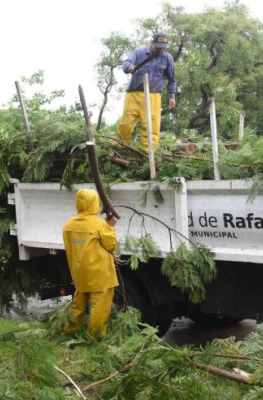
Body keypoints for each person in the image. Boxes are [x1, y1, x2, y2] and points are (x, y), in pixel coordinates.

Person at [62, 188, 118, 339]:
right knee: (99, 308)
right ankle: (94, 338)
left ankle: (71, 331)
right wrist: (111, 227)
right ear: (94, 203)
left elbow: (70, 247)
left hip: (80, 273)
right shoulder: (99, 225)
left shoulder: (68, 225)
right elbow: (111, 246)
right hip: (100, 275)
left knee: (78, 305)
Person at [117, 32, 177, 151]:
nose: (160, 49)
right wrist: (130, 67)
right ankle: (119, 150)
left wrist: (172, 96)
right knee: (126, 124)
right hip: (134, 94)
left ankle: (148, 156)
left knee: (151, 127)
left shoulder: (167, 58)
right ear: (152, 43)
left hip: (154, 95)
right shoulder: (139, 52)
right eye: (158, 46)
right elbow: (126, 63)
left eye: (163, 47)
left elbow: (172, 79)